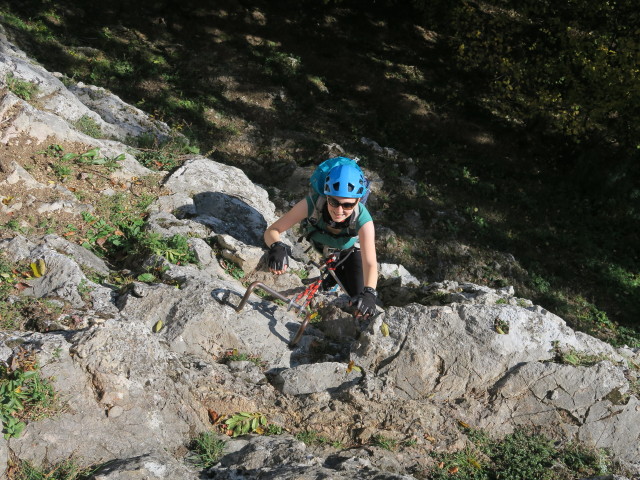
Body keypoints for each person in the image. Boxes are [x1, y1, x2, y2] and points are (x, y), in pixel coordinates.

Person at [264, 162, 378, 319]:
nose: (339, 211)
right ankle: (331, 276)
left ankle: (333, 277)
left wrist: (370, 292)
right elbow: (272, 230)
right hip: (323, 251)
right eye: (334, 202)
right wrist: (276, 246)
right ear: (327, 196)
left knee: (361, 305)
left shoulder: (363, 219)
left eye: (347, 205)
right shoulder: (312, 203)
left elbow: (370, 263)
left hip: (350, 253)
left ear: (358, 201)